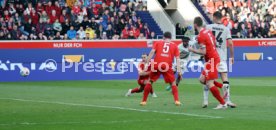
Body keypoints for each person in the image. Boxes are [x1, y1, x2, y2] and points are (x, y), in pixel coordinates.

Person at [189, 17, 227, 109]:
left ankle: (222, 103)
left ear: (195, 25)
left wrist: (192, 49)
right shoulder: (208, 31)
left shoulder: (201, 36)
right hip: (212, 58)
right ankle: (222, 86)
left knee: (209, 83)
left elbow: (204, 52)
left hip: (212, 60)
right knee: (202, 80)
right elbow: (213, 42)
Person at [203, 11, 236, 108]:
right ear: (221, 18)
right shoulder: (226, 29)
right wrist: (232, 56)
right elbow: (230, 43)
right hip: (221, 57)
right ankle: (227, 100)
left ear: (213, 17)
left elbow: (204, 42)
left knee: (207, 78)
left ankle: (205, 101)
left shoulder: (208, 27)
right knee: (225, 78)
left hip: (211, 57)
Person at [140, 31, 182, 106]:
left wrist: (147, 62)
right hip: (166, 65)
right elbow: (178, 59)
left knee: (150, 81)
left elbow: (152, 52)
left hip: (156, 64)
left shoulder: (158, 42)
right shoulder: (175, 45)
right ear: (171, 38)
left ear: (163, 37)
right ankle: (177, 101)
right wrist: (179, 71)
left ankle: (144, 101)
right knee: (173, 83)